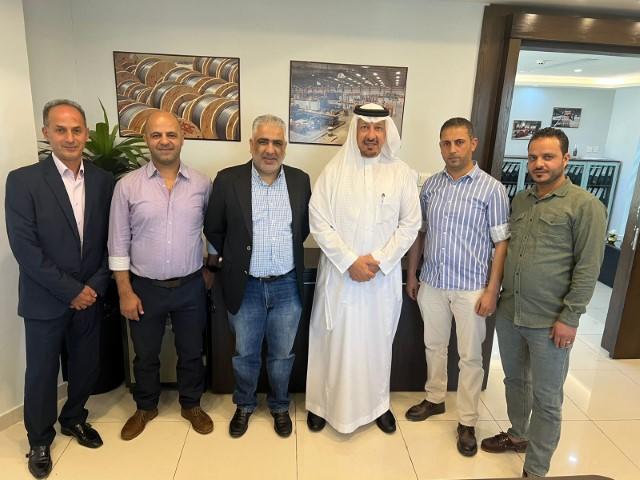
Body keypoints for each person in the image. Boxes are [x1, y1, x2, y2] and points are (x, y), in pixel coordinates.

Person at [481, 127, 607, 477]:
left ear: (566, 159)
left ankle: (535, 470)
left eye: (547, 157)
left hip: (551, 321)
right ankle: (518, 434)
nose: (539, 163)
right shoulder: (521, 200)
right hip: (511, 313)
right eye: (533, 157)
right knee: (515, 381)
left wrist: (571, 316)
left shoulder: (585, 206)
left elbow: (588, 267)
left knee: (547, 399)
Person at [5, 99, 114, 478]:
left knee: (85, 365)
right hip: (45, 298)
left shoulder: (103, 181)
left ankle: (74, 418)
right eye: (61, 130)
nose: (70, 137)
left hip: (90, 295)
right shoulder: (23, 181)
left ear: (86, 133)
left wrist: (94, 286)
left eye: (76, 130)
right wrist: (70, 290)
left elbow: (111, 240)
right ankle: (39, 439)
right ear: (46, 133)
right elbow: (25, 248)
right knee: (42, 371)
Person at [305, 103, 421, 434]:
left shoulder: (402, 173)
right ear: (355, 131)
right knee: (334, 344)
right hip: (340, 279)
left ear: (386, 132)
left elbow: (411, 224)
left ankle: (377, 405)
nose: (371, 135)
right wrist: (349, 261)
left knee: (376, 345)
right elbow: (319, 221)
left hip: (380, 281)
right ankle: (322, 405)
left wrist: (380, 260)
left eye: (378, 128)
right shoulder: (333, 171)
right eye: (365, 128)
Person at [404, 117, 510, 456]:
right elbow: (420, 233)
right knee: (433, 346)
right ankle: (435, 398)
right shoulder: (431, 186)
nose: (452, 149)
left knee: (470, 358)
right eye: (446, 143)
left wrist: (492, 289)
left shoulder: (492, 189)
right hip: (433, 282)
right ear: (440, 146)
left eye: (459, 142)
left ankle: (467, 421)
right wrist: (412, 274)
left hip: (471, 288)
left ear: (472, 144)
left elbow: (501, 243)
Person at [108, 111, 214, 440]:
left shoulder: (202, 184)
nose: (164, 141)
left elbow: (211, 231)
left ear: (182, 138)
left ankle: (191, 404)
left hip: (190, 286)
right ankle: (146, 407)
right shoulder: (127, 186)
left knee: (192, 351)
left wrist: (209, 270)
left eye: (171, 134)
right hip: (144, 288)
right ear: (146, 140)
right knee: (145, 354)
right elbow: (118, 241)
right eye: (157, 135)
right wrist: (125, 291)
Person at [204, 114, 311, 438]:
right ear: (251, 145)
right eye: (263, 141)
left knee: (282, 355)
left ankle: (279, 406)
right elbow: (214, 228)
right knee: (245, 355)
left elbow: (303, 229)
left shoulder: (300, 180)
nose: (270, 149)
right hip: (245, 284)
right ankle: (245, 404)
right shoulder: (227, 180)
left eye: (277, 143)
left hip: (287, 286)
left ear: (285, 147)